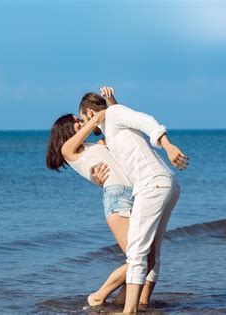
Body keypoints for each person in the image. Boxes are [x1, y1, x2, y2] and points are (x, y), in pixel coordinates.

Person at [45, 87, 159, 307]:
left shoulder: (96, 145)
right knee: (137, 258)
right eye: (76, 121)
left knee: (149, 260)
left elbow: (118, 126)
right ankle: (98, 296)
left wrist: (112, 102)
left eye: (81, 118)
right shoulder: (69, 150)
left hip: (136, 195)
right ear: (67, 129)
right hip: (118, 201)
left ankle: (118, 305)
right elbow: (94, 124)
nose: (81, 122)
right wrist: (95, 116)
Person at [79, 87, 188, 313]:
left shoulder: (114, 114)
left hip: (152, 185)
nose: (85, 126)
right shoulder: (113, 125)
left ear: (89, 113)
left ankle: (129, 312)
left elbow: (144, 120)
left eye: (82, 118)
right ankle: (143, 304)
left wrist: (167, 146)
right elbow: (124, 135)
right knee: (151, 253)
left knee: (137, 254)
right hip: (167, 183)